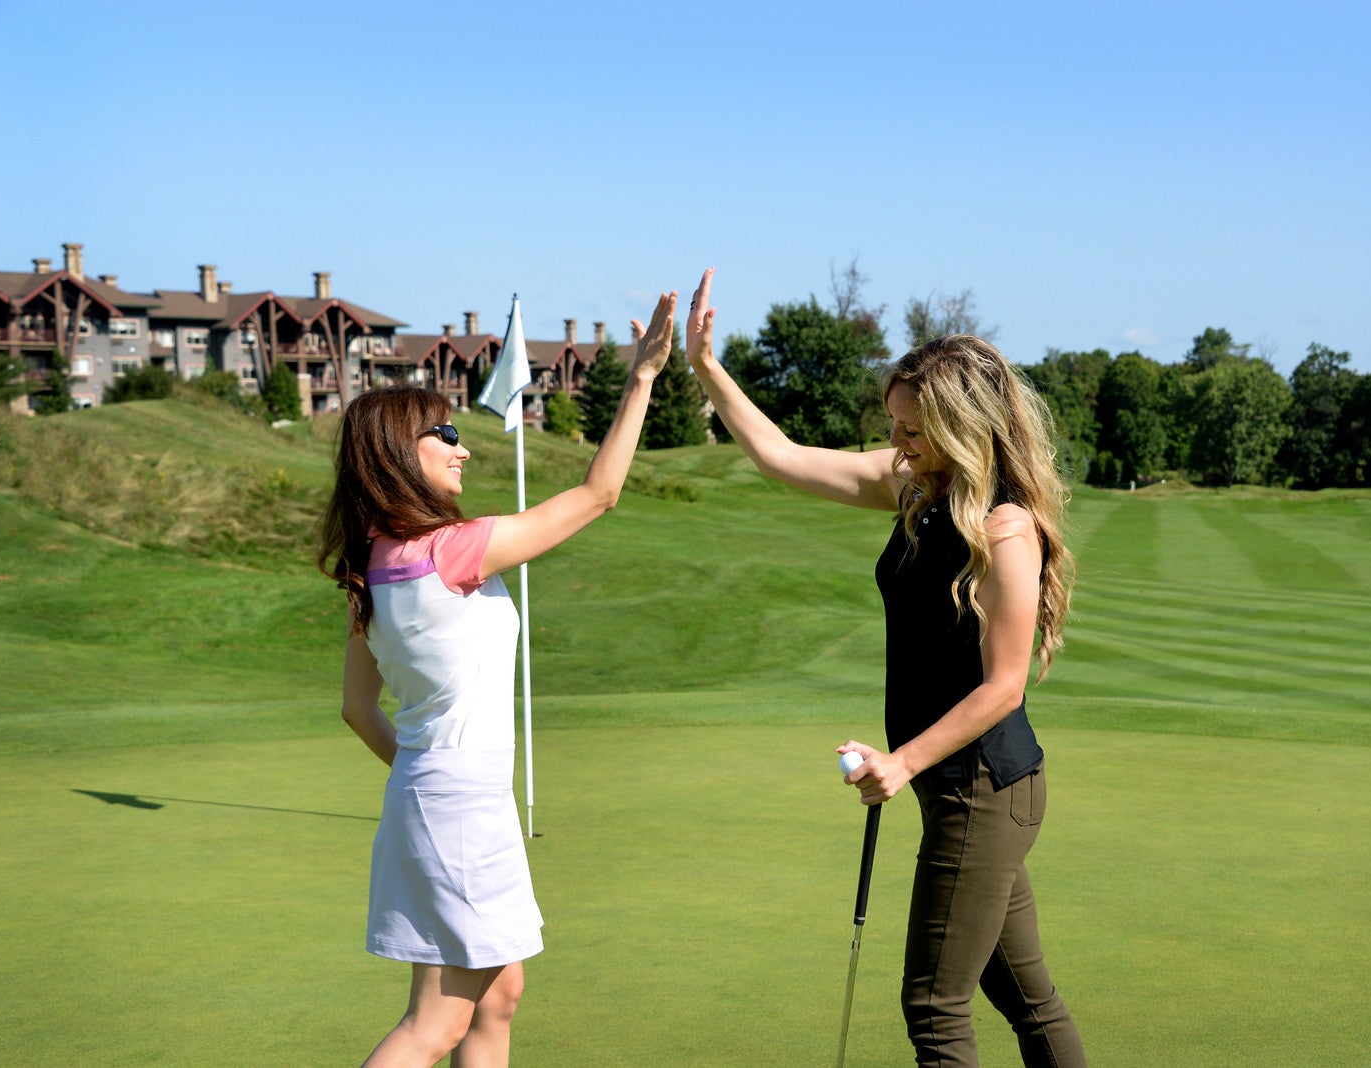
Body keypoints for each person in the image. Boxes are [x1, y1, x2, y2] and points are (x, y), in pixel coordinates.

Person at [685, 269, 1085, 1067]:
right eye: (894, 428)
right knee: (1028, 1001)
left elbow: (1004, 686)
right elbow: (783, 459)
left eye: (911, 430)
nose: (897, 446)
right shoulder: (921, 491)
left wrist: (901, 761)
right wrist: (707, 367)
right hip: (961, 790)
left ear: (959, 426)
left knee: (935, 1010)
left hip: (984, 788)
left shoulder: (1005, 528)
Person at [317, 290, 676, 1067]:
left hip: (433, 798)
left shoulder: (369, 568)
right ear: (397, 451)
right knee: (435, 1024)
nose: (463, 447)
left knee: (499, 994)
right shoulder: (451, 548)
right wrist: (643, 378)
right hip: (460, 808)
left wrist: (428, 769)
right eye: (444, 433)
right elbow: (598, 495)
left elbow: (356, 708)